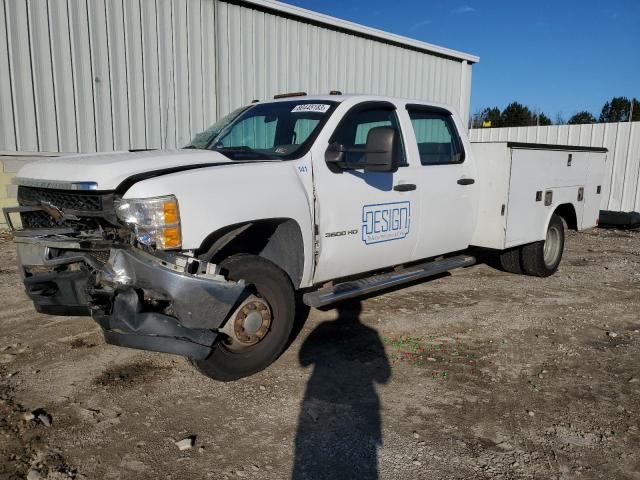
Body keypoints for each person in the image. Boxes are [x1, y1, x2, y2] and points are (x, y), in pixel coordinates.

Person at [292, 301, 391, 480]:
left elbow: (303, 360)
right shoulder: (371, 334)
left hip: (320, 397)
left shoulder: (323, 328)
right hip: (357, 405)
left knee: (314, 457)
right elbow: (384, 377)